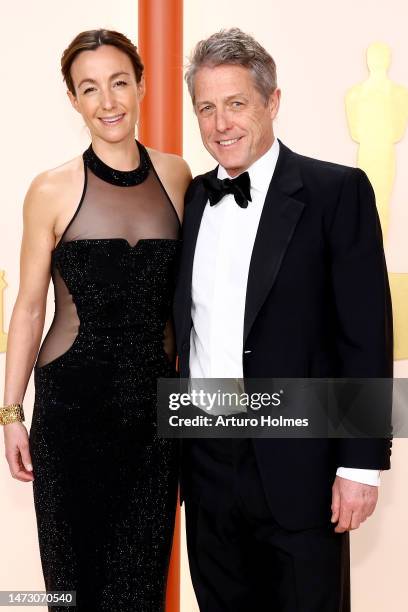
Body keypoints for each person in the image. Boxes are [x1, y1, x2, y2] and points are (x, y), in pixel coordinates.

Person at [173, 28, 393, 611]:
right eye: (206, 108)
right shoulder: (192, 200)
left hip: (302, 467)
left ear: (272, 102)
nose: (221, 124)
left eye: (236, 103)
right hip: (207, 464)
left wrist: (361, 465)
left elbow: (366, 334)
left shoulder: (335, 191)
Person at [1, 29, 191, 611]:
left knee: (141, 584)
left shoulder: (179, 176)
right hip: (70, 414)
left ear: (141, 86)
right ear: (73, 99)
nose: (107, 102)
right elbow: (31, 307)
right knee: (73, 584)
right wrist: (10, 413)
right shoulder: (50, 189)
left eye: (118, 83)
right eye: (90, 89)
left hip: (154, 420)